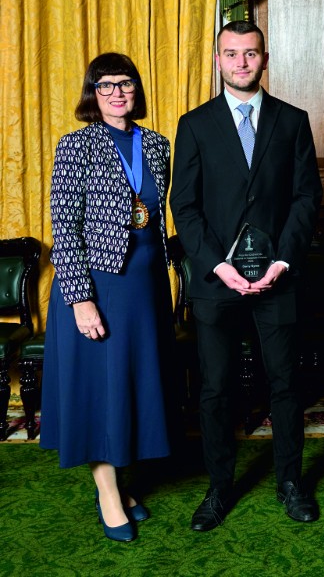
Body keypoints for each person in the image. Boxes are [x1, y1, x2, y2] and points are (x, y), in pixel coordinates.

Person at [170, 20, 322, 531]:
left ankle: (290, 482)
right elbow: (183, 206)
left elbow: (306, 197)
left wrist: (282, 260)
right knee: (215, 388)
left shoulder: (293, 120)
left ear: (264, 58)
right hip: (217, 283)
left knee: (285, 384)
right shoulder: (194, 124)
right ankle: (219, 486)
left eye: (250, 53)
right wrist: (217, 265)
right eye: (231, 54)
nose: (241, 62)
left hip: (278, 278)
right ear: (218, 60)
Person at [40, 53, 173, 542]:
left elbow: (154, 217)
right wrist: (80, 298)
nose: (117, 92)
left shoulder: (156, 144)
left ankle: (121, 481)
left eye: (125, 83)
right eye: (106, 85)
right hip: (98, 284)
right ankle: (108, 493)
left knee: (130, 386)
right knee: (100, 390)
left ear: (137, 88)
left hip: (144, 285)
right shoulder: (77, 144)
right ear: (92, 93)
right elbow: (65, 226)